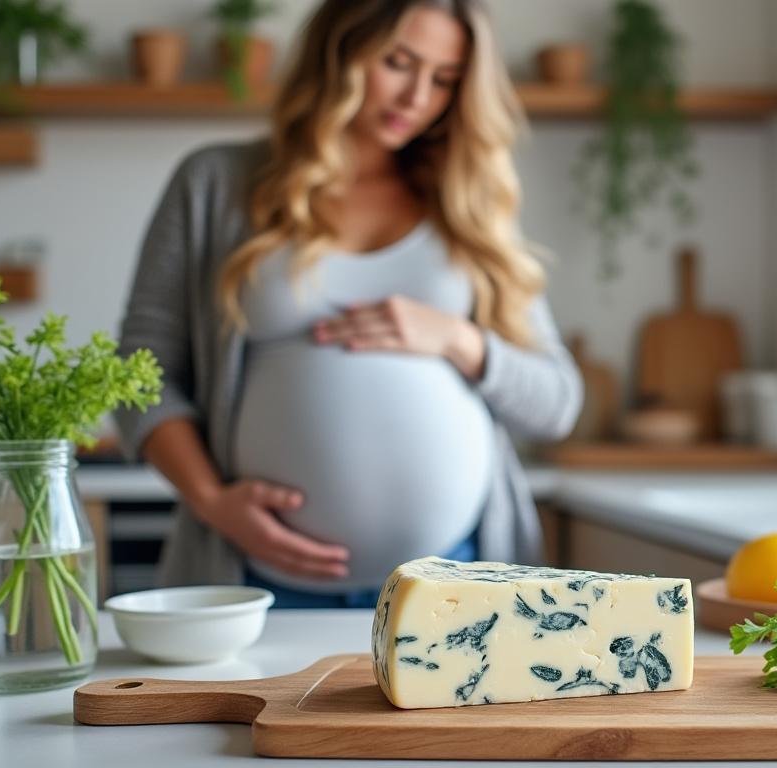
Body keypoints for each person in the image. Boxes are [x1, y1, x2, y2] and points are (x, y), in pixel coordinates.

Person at [114, 0, 581, 608]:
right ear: (338, 50)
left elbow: (557, 403)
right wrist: (212, 502)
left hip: (455, 584)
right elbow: (139, 374)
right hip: (259, 579)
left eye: (444, 79)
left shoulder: (468, 203)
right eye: (398, 63)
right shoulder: (216, 183)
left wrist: (455, 339)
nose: (417, 97)